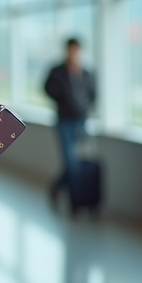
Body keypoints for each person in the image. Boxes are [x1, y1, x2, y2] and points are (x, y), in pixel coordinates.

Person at [44, 38, 97, 204]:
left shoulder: (86, 73)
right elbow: (47, 89)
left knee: (80, 163)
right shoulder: (57, 71)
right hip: (64, 121)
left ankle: (58, 187)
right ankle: (75, 202)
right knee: (70, 163)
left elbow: (93, 95)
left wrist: (86, 109)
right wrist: (63, 97)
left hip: (81, 121)